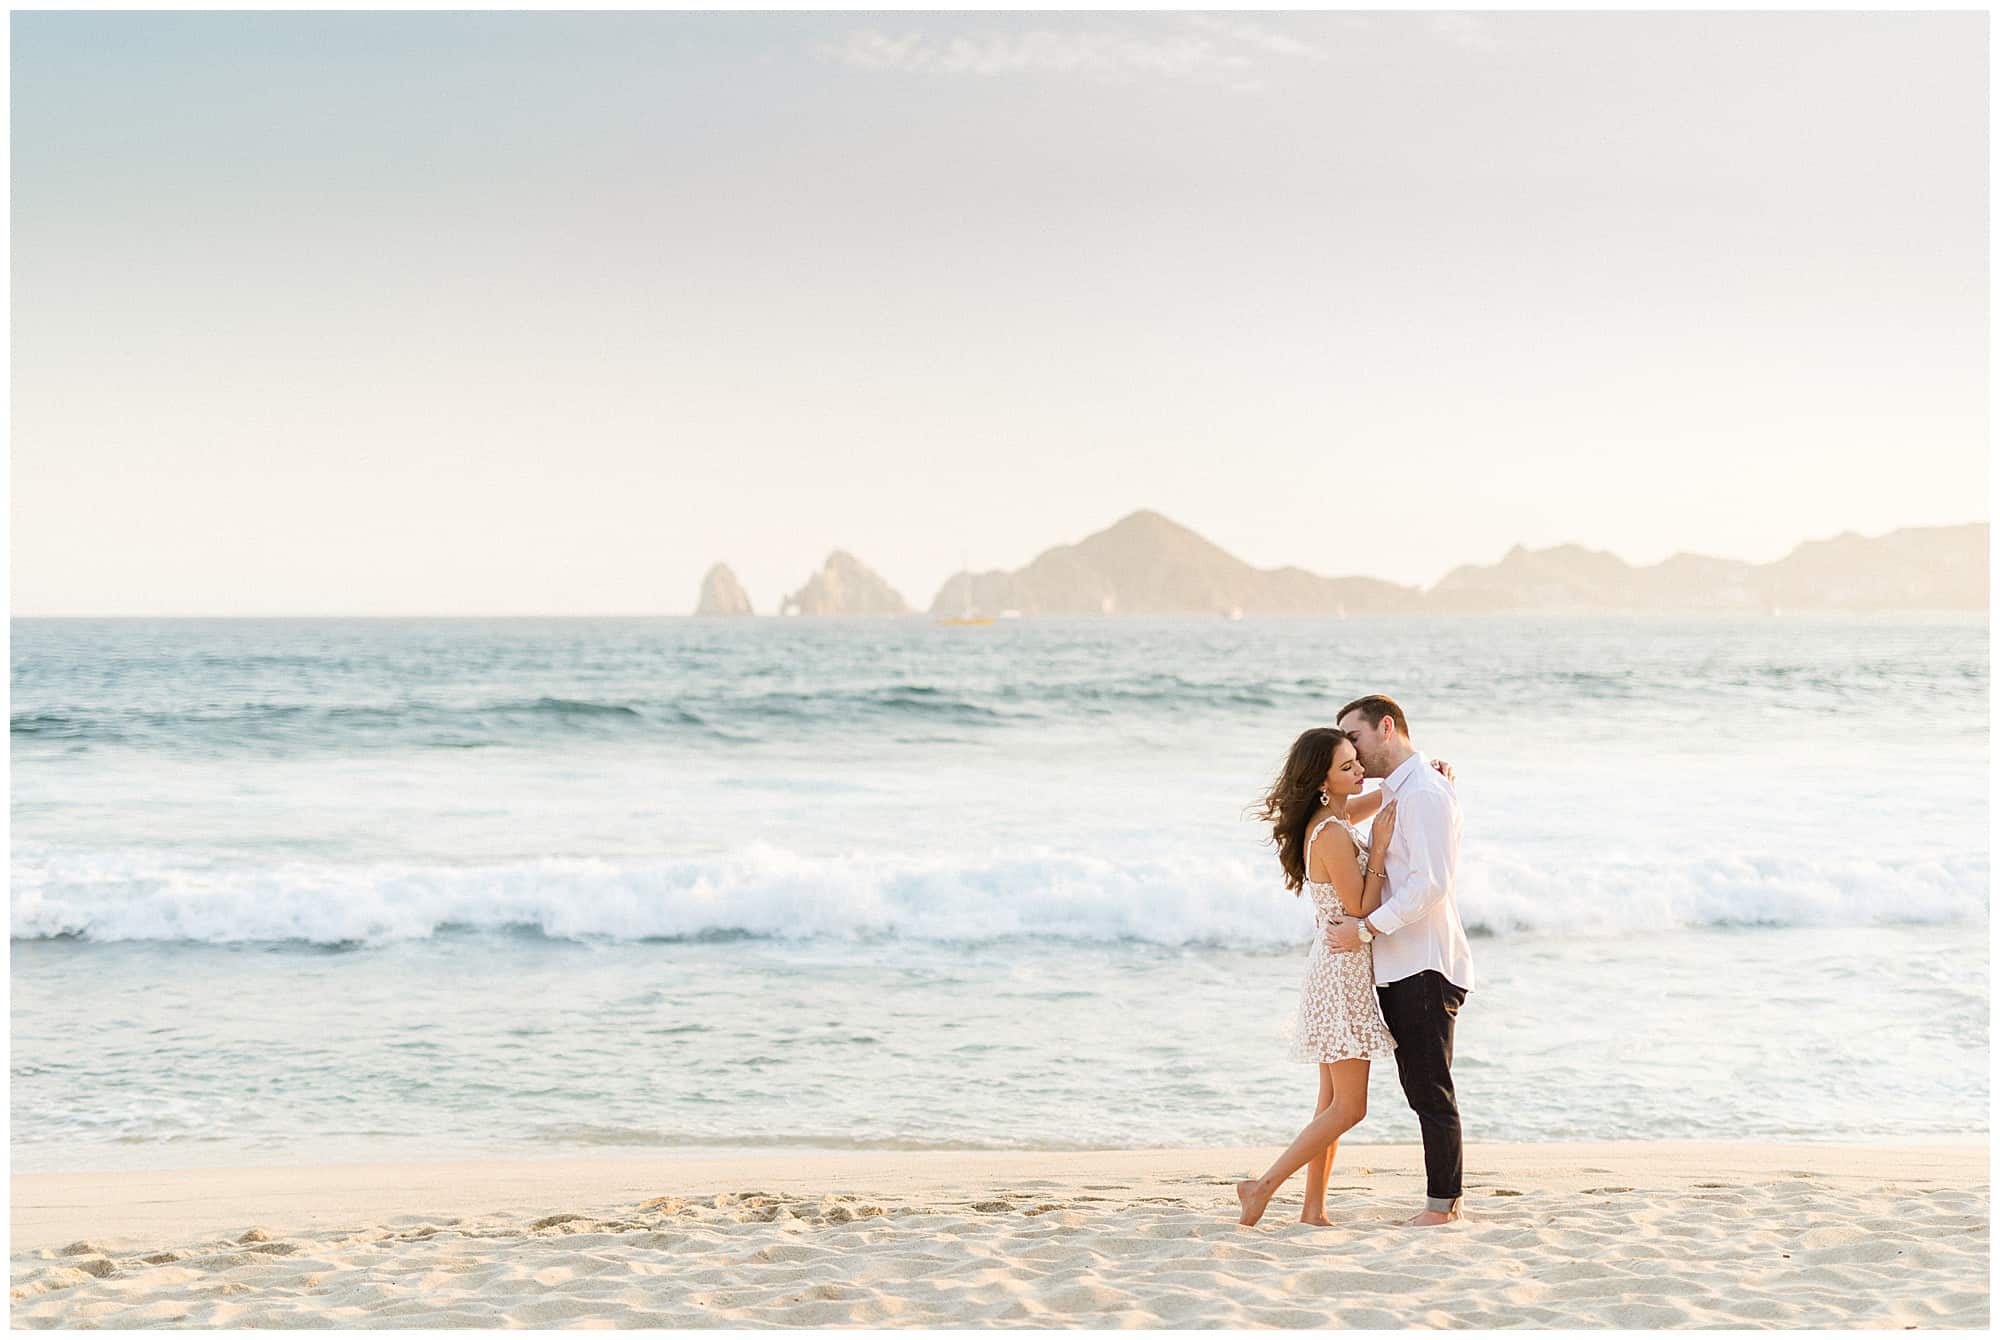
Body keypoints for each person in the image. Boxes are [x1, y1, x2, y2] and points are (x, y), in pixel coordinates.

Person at [1236, 728, 1453, 1228]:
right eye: (1347, 767)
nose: (1359, 771)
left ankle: (1313, 1211)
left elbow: (1385, 794)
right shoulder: (1333, 833)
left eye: (1357, 760)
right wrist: (1377, 850)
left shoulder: (1332, 817)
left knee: (1329, 1103)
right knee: (1349, 1108)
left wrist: (1427, 778)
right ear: (1322, 781)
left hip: (1334, 966)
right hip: (1341, 972)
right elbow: (1359, 908)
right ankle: (1261, 1188)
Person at [1323, 694, 1475, 1227]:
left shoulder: (1425, 793)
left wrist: (1365, 929)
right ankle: (1442, 1201)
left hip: (1424, 965)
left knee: (1431, 1088)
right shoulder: (1399, 790)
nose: (1354, 754)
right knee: (1419, 1087)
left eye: (1356, 738)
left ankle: (1443, 1207)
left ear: (1387, 728)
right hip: (1398, 963)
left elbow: (1429, 885)